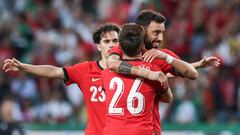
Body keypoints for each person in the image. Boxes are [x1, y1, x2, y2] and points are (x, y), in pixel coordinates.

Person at [3, 23, 168, 135]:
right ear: (98, 46)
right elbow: (54, 72)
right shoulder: (85, 70)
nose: (111, 45)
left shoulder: (134, 69)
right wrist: (24, 67)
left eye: (115, 41)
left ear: (121, 43)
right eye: (106, 41)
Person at [106, 9, 220, 134]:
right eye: (156, 32)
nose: (160, 38)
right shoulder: (124, 48)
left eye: (162, 33)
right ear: (142, 30)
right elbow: (112, 64)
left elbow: (192, 74)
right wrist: (149, 73)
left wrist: (168, 58)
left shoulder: (161, 56)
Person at [102, 23, 172, 135]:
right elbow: (168, 98)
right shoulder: (154, 70)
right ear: (142, 45)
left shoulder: (106, 73)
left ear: (120, 45)